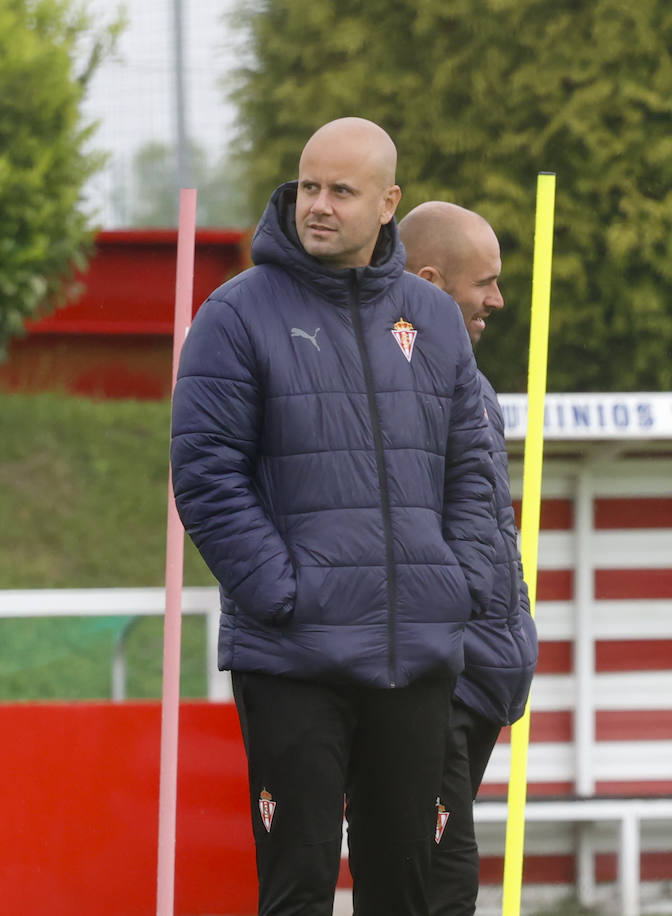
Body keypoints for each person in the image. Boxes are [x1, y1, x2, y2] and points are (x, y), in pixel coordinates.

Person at [171, 117, 499, 916]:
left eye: (341, 191)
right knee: (297, 892)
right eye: (308, 186)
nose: (318, 205)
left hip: (414, 659)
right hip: (295, 659)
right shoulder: (235, 313)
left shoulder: (435, 320)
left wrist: (453, 584)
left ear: (388, 202)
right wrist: (285, 594)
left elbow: (475, 474)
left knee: (407, 894)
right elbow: (205, 475)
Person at [399, 201, 539, 916]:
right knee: (441, 883)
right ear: (429, 283)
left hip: (481, 676)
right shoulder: (391, 386)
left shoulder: (473, 386)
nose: (498, 299)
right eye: (485, 282)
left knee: (442, 879)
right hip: (435, 676)